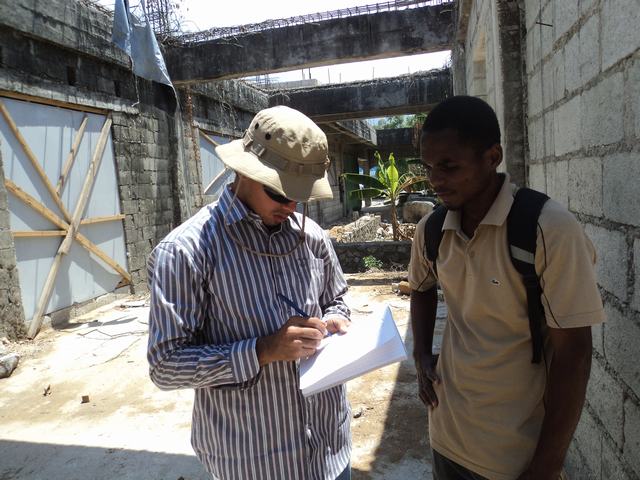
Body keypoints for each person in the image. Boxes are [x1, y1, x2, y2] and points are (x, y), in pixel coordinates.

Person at [147, 106, 352, 480]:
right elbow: (165, 366)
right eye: (279, 192)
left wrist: (338, 317)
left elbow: (336, 297)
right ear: (244, 170)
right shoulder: (186, 252)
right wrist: (263, 350)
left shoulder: (314, 239)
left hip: (329, 450)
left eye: (299, 197)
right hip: (252, 462)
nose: (290, 207)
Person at [408, 96, 605, 480]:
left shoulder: (547, 229)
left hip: (514, 454)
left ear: (492, 156)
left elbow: (575, 356)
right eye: (429, 167)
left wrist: (546, 466)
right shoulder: (432, 230)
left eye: (449, 166)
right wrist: (421, 355)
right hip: (446, 437)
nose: (435, 179)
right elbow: (421, 286)